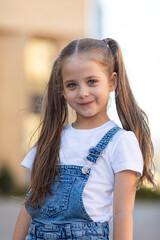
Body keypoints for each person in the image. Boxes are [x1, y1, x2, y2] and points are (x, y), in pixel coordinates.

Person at [13, 38, 155, 240]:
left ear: (112, 81)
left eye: (91, 81)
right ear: (62, 90)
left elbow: (123, 214)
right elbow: (30, 202)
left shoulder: (121, 141)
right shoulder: (51, 139)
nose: (83, 92)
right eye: (72, 85)